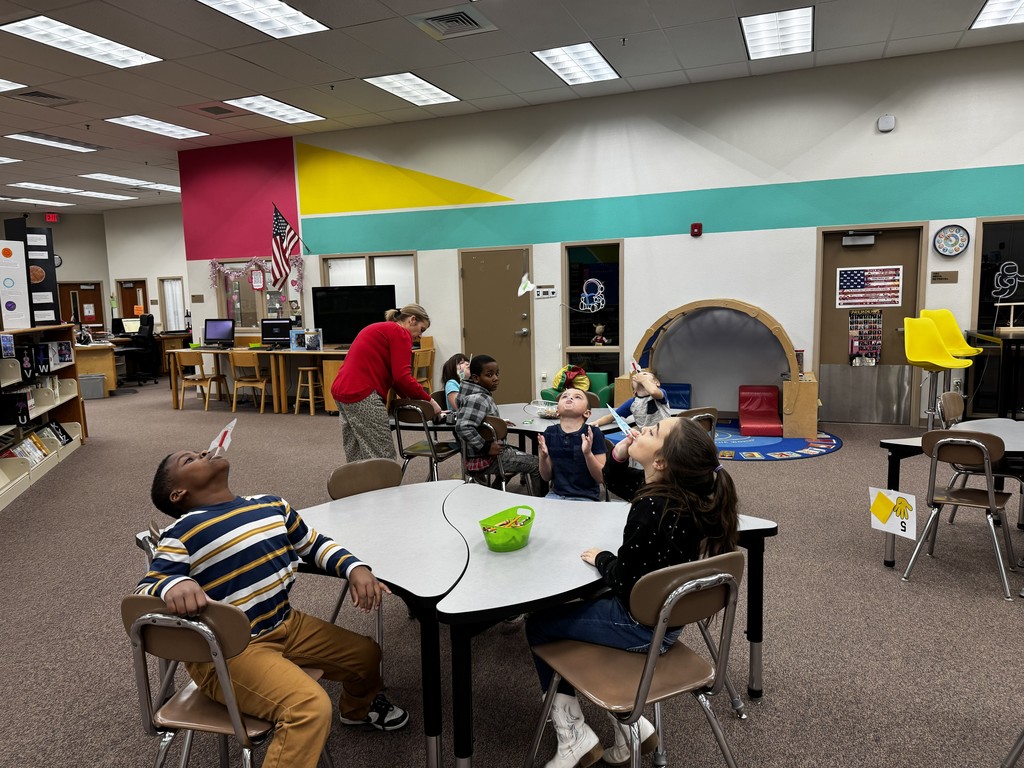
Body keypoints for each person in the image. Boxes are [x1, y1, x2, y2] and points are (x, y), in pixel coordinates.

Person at [137, 448, 409, 768]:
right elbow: (147, 587)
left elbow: (314, 544)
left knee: (366, 654)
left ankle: (358, 709)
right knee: (308, 709)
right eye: (190, 459)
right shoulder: (182, 533)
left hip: (285, 624)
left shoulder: (271, 504)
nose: (206, 452)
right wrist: (173, 585)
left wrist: (354, 568)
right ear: (178, 493)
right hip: (229, 653)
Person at [525, 418, 739, 768]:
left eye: (652, 432)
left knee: (539, 624)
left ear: (660, 463)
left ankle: (574, 737)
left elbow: (624, 580)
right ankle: (631, 727)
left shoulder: (651, 508)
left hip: (640, 627)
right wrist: (620, 453)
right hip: (666, 622)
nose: (640, 430)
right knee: (579, 605)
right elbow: (620, 481)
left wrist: (603, 558)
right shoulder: (683, 495)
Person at [330, 304, 441, 461]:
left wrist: (415, 399)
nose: (420, 336)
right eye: (421, 329)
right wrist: (430, 401)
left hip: (341, 391)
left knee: (355, 451)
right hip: (363, 394)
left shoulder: (383, 328)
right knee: (382, 454)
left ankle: (358, 485)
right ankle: (383, 485)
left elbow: (396, 378)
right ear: (412, 320)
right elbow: (403, 377)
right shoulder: (400, 333)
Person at [455, 354, 542, 495]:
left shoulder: (473, 393)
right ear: (476, 378)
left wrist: (497, 422)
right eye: (489, 375)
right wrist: (486, 447)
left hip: (479, 454)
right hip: (483, 457)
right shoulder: (478, 398)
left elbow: (476, 419)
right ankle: (541, 503)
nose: (495, 378)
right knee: (537, 464)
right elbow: (463, 426)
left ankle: (494, 493)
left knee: (519, 453)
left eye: (497, 373)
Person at [537, 387, 607, 500]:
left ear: (587, 413)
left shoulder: (593, 434)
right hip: (556, 494)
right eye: (564, 396)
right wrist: (543, 457)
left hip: (586, 497)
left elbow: (601, 478)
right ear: (557, 411)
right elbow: (546, 477)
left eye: (577, 397)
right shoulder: (549, 432)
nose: (569, 398)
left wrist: (588, 454)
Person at [589, 368, 670, 441]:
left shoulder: (661, 392)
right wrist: (597, 422)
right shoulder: (632, 403)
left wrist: (643, 380)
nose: (640, 376)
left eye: (644, 374)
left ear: (657, 383)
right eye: (636, 376)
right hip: (647, 437)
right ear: (634, 391)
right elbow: (611, 417)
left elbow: (653, 392)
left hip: (666, 435)